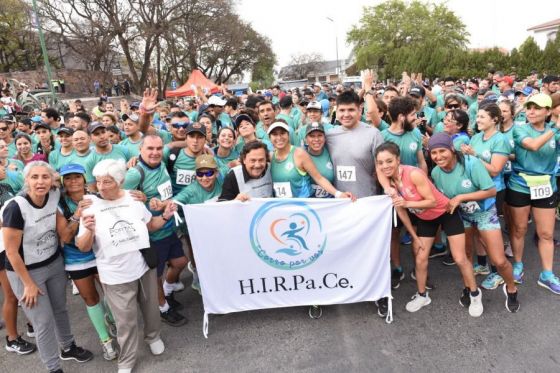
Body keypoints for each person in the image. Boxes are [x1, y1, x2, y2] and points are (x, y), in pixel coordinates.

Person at [76, 159, 176, 373]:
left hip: (142, 267)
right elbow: (83, 246)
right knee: (125, 321)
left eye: (108, 181)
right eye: (99, 182)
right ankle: (127, 359)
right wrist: (89, 230)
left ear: (120, 181)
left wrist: (166, 216)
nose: (101, 187)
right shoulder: (89, 206)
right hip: (114, 274)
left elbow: (149, 226)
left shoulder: (133, 200)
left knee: (150, 309)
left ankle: (153, 336)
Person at [3, 161, 93, 373]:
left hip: (53, 262)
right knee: (42, 322)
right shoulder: (16, 207)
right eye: (34, 177)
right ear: (26, 180)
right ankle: (53, 368)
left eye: (45, 177)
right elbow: (11, 252)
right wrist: (28, 284)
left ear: (52, 181)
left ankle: (68, 347)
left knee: (61, 309)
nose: (40, 181)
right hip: (25, 271)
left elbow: (80, 191)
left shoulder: (53, 195)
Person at [122, 136, 188, 326]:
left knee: (180, 262)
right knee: (156, 276)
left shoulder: (162, 158)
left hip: (168, 227)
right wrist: (139, 198)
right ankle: (163, 308)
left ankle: (167, 292)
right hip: (152, 234)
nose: (155, 152)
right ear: (140, 149)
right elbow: (113, 195)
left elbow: (175, 144)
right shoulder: (135, 174)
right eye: (150, 148)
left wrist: (206, 147)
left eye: (158, 148)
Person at [56, 164, 118, 360]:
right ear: (63, 182)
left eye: (77, 177)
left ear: (84, 179)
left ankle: (111, 318)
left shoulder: (97, 196)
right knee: (91, 299)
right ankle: (105, 340)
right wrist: (76, 215)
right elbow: (65, 237)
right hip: (76, 259)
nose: (73, 181)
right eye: (68, 178)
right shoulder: (60, 204)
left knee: (111, 293)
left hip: (100, 253)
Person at [426, 134, 490, 316]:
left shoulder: (471, 163)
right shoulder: (436, 172)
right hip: (459, 216)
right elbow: (441, 198)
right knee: (462, 256)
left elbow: (490, 190)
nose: (438, 156)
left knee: (498, 258)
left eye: (442, 151)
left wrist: (461, 197)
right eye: (434, 153)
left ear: (452, 149)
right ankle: (472, 290)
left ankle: (504, 287)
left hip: (484, 211)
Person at [506, 94, 560, 294]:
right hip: (520, 185)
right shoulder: (520, 129)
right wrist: (555, 127)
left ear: (548, 111)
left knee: (546, 234)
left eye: (537, 108)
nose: (531, 111)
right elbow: (533, 145)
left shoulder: (554, 132)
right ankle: (518, 264)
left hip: (546, 187)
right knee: (519, 229)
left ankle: (547, 274)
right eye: (529, 107)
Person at [461, 103, 515, 290]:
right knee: (476, 232)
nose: (478, 119)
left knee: (487, 236)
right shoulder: (476, 137)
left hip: (494, 191)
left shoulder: (500, 140)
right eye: (477, 116)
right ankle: (482, 264)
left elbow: (495, 170)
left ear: (494, 119)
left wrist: (474, 155)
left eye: (482, 117)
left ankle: (496, 273)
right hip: (475, 192)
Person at [268, 121, 349, 199]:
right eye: (275, 134)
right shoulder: (271, 157)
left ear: (288, 135)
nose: (279, 137)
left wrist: (338, 194)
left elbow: (318, 178)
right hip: (282, 206)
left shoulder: (299, 153)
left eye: (282, 133)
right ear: (269, 138)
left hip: (303, 206)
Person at [304, 123, 335, 198]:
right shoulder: (301, 155)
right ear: (306, 139)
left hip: (330, 203)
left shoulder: (331, 152)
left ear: (325, 137)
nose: (316, 139)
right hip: (308, 203)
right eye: (312, 136)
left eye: (320, 135)